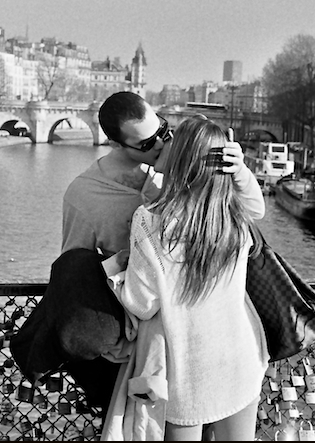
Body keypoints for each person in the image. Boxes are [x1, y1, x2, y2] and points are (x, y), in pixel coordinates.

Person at [60, 92, 258, 419]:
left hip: (202, 330)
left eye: (164, 131)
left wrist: (239, 172)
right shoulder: (83, 195)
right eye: (147, 143)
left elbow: (249, 213)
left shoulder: (178, 167)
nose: (163, 144)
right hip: (141, 344)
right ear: (115, 144)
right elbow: (74, 272)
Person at [118, 115, 269, 441]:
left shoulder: (151, 221)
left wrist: (120, 274)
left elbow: (141, 303)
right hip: (240, 359)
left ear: (181, 157)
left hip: (188, 372)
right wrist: (240, 170)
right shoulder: (234, 214)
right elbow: (258, 208)